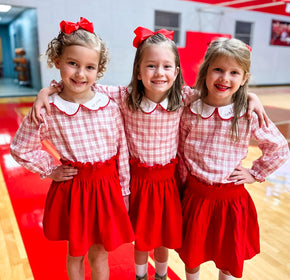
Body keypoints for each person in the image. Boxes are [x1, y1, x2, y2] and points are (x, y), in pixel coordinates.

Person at [29, 27, 269, 280]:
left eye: (167, 67)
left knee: (164, 235)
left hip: (169, 182)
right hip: (138, 181)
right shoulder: (124, 97)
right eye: (151, 66)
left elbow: (220, 93)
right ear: (139, 71)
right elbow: (84, 87)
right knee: (141, 236)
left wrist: (250, 96)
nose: (159, 73)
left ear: (176, 72)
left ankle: (160, 275)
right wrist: (47, 91)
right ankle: (141, 275)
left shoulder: (186, 98)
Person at [10, 17, 134, 280]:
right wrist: (51, 169)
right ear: (57, 61)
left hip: (107, 187)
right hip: (74, 190)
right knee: (75, 252)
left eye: (89, 67)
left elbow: (122, 150)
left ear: (98, 69)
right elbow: (21, 147)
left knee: (100, 252)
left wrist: (124, 190)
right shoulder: (49, 108)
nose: (80, 73)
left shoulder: (109, 104)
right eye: (72, 63)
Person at [176, 37, 289, 280]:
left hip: (231, 202)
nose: (224, 78)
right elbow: (181, 152)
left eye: (234, 72)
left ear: (244, 78)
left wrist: (255, 172)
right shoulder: (191, 107)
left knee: (227, 259)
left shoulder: (247, 113)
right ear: (206, 71)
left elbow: (279, 148)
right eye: (218, 69)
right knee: (192, 256)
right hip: (196, 198)